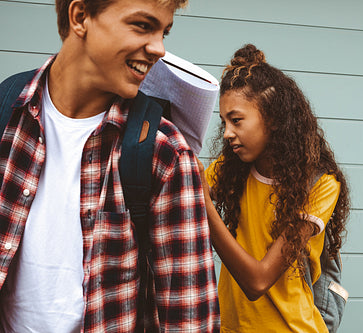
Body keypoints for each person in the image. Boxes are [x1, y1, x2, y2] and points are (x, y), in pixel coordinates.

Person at [0, 0, 220, 331]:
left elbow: (190, 321)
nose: (159, 49)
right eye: (143, 26)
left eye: (164, 32)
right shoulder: (7, 114)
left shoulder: (165, 153)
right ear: (80, 17)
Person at [197, 44, 351, 332]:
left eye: (237, 120)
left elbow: (258, 280)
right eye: (224, 122)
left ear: (274, 119)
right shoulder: (230, 170)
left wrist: (203, 204)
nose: (227, 133)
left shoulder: (320, 185)